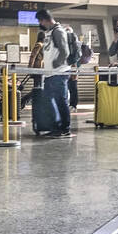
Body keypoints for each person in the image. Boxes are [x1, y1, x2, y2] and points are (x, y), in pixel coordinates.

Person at [35, 9, 71, 138]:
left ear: (45, 19)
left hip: (59, 73)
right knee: (50, 101)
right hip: (50, 73)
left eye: (40, 20)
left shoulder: (58, 31)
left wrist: (56, 64)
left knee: (60, 101)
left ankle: (65, 128)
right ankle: (56, 127)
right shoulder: (49, 32)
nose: (40, 23)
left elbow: (64, 51)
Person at [22, 31, 45, 109]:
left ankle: (30, 101)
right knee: (37, 88)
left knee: (39, 87)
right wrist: (30, 69)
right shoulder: (39, 45)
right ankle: (24, 100)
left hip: (41, 69)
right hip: (37, 69)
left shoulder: (43, 45)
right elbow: (32, 57)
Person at [66, 26, 79, 112]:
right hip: (65, 68)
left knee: (73, 87)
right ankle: (70, 104)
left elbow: (77, 57)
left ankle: (73, 105)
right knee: (68, 87)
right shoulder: (63, 43)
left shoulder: (75, 44)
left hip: (72, 68)